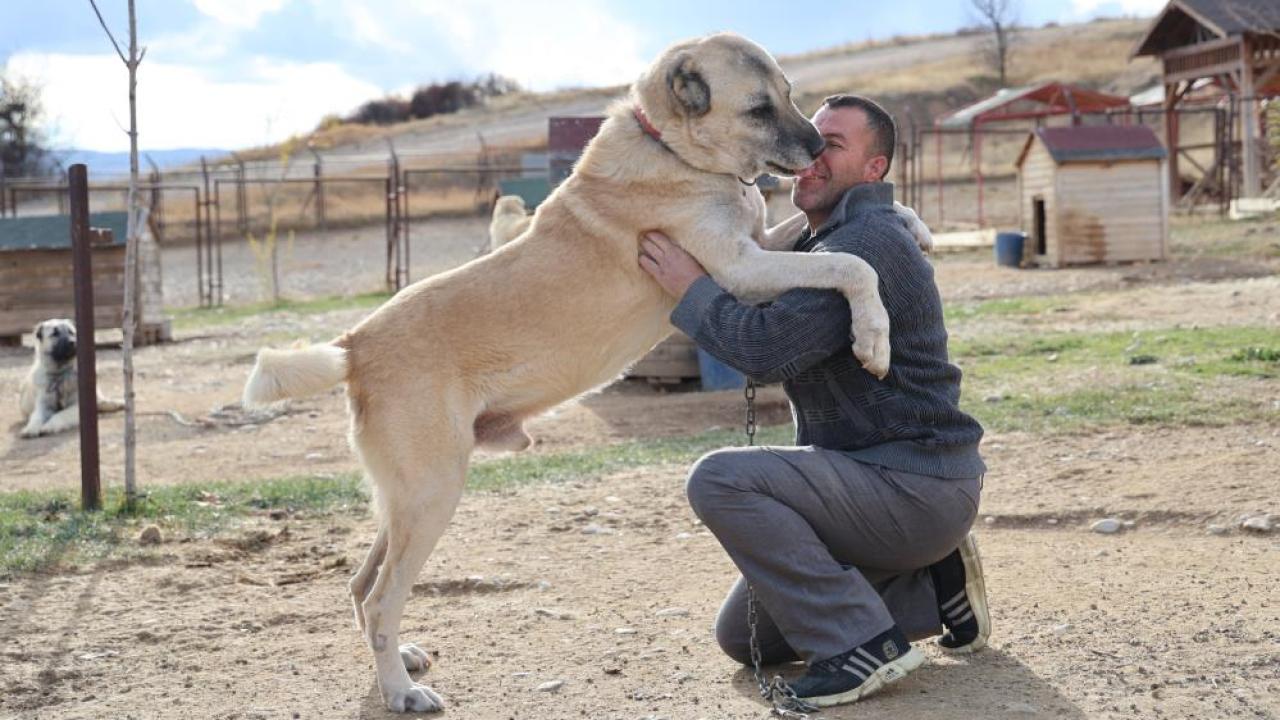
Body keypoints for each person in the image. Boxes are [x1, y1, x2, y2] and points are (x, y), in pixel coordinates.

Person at [637, 94, 989, 708]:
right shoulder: (828, 237)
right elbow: (755, 276)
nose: (810, 154)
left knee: (720, 480)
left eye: (833, 145)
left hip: (911, 484)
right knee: (745, 641)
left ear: (874, 170)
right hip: (877, 488)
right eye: (810, 139)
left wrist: (688, 289)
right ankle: (931, 582)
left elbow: (765, 349)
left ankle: (863, 650)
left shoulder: (863, 246)